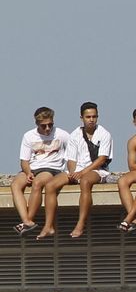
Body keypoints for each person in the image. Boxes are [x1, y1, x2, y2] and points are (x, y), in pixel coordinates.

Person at [34, 101, 113, 240]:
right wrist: (72, 173)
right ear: (82, 118)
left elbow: (101, 159)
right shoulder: (75, 134)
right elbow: (71, 159)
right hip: (77, 170)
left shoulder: (104, 134)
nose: (91, 120)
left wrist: (81, 174)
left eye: (94, 117)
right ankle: (48, 226)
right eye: (88, 117)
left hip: (97, 170)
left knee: (85, 182)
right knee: (50, 185)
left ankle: (80, 223)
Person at [12, 106, 70, 235]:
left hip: (51, 168)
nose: (48, 128)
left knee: (37, 183)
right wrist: (28, 173)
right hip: (32, 167)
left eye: (50, 125)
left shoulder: (62, 134)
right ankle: (26, 220)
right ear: (37, 124)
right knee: (16, 184)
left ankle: (29, 220)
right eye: (44, 126)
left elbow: (74, 152)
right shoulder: (29, 136)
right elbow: (24, 160)